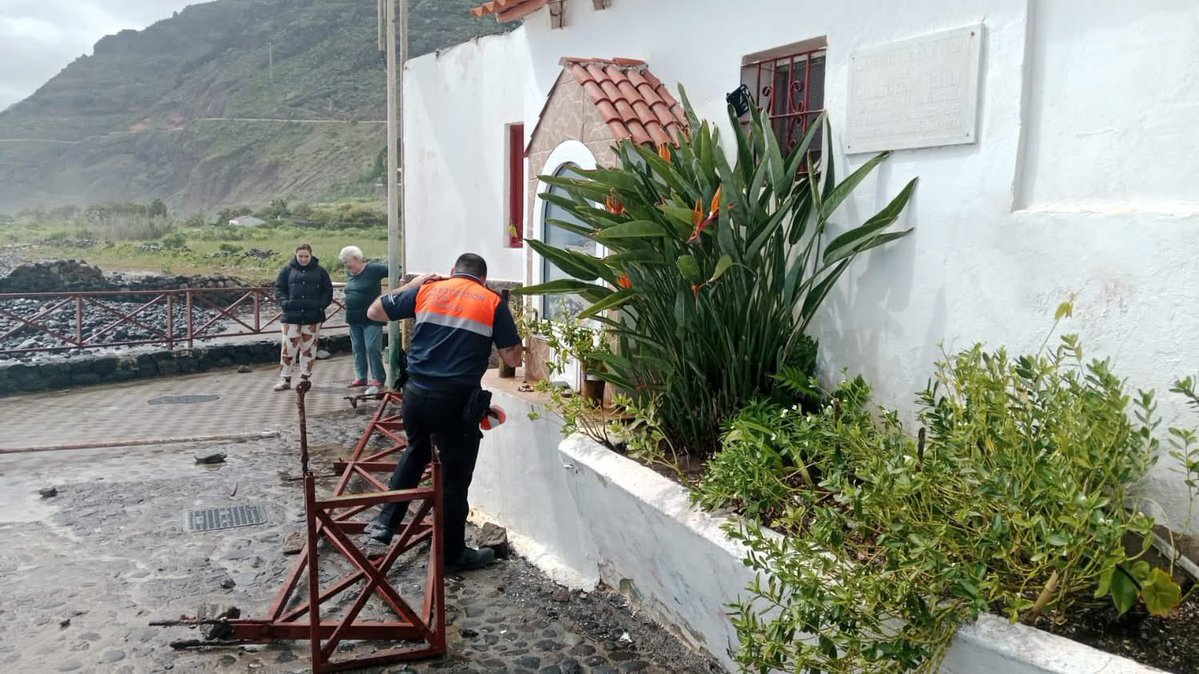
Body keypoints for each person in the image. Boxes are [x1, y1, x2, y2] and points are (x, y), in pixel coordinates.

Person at [364, 253, 522, 572]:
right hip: (454, 401)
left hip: (414, 394)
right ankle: (452, 554)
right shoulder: (491, 301)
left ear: (453, 272)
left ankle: (384, 524)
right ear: (484, 278)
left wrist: (416, 283)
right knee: (454, 477)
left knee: (415, 451)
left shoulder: (428, 290)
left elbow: (375, 311)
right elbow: (513, 358)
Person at [272, 243, 333, 391]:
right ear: (296, 255)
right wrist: (285, 303)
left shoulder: (320, 271)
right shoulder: (287, 270)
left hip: (313, 316)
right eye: (300, 256)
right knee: (288, 347)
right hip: (291, 315)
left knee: (309, 348)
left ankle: (304, 378)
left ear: (311, 255)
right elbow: (279, 288)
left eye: (306, 256)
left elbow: (327, 291)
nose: (303, 259)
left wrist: (321, 305)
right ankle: (285, 379)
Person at [339, 245, 389, 395]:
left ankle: (378, 377)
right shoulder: (351, 274)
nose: (346, 265)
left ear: (356, 258)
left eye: (347, 262)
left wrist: (401, 281)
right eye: (344, 263)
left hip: (372, 317)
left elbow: (396, 269)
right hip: (354, 317)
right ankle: (361, 377)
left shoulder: (373, 269)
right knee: (357, 348)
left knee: (372, 347)